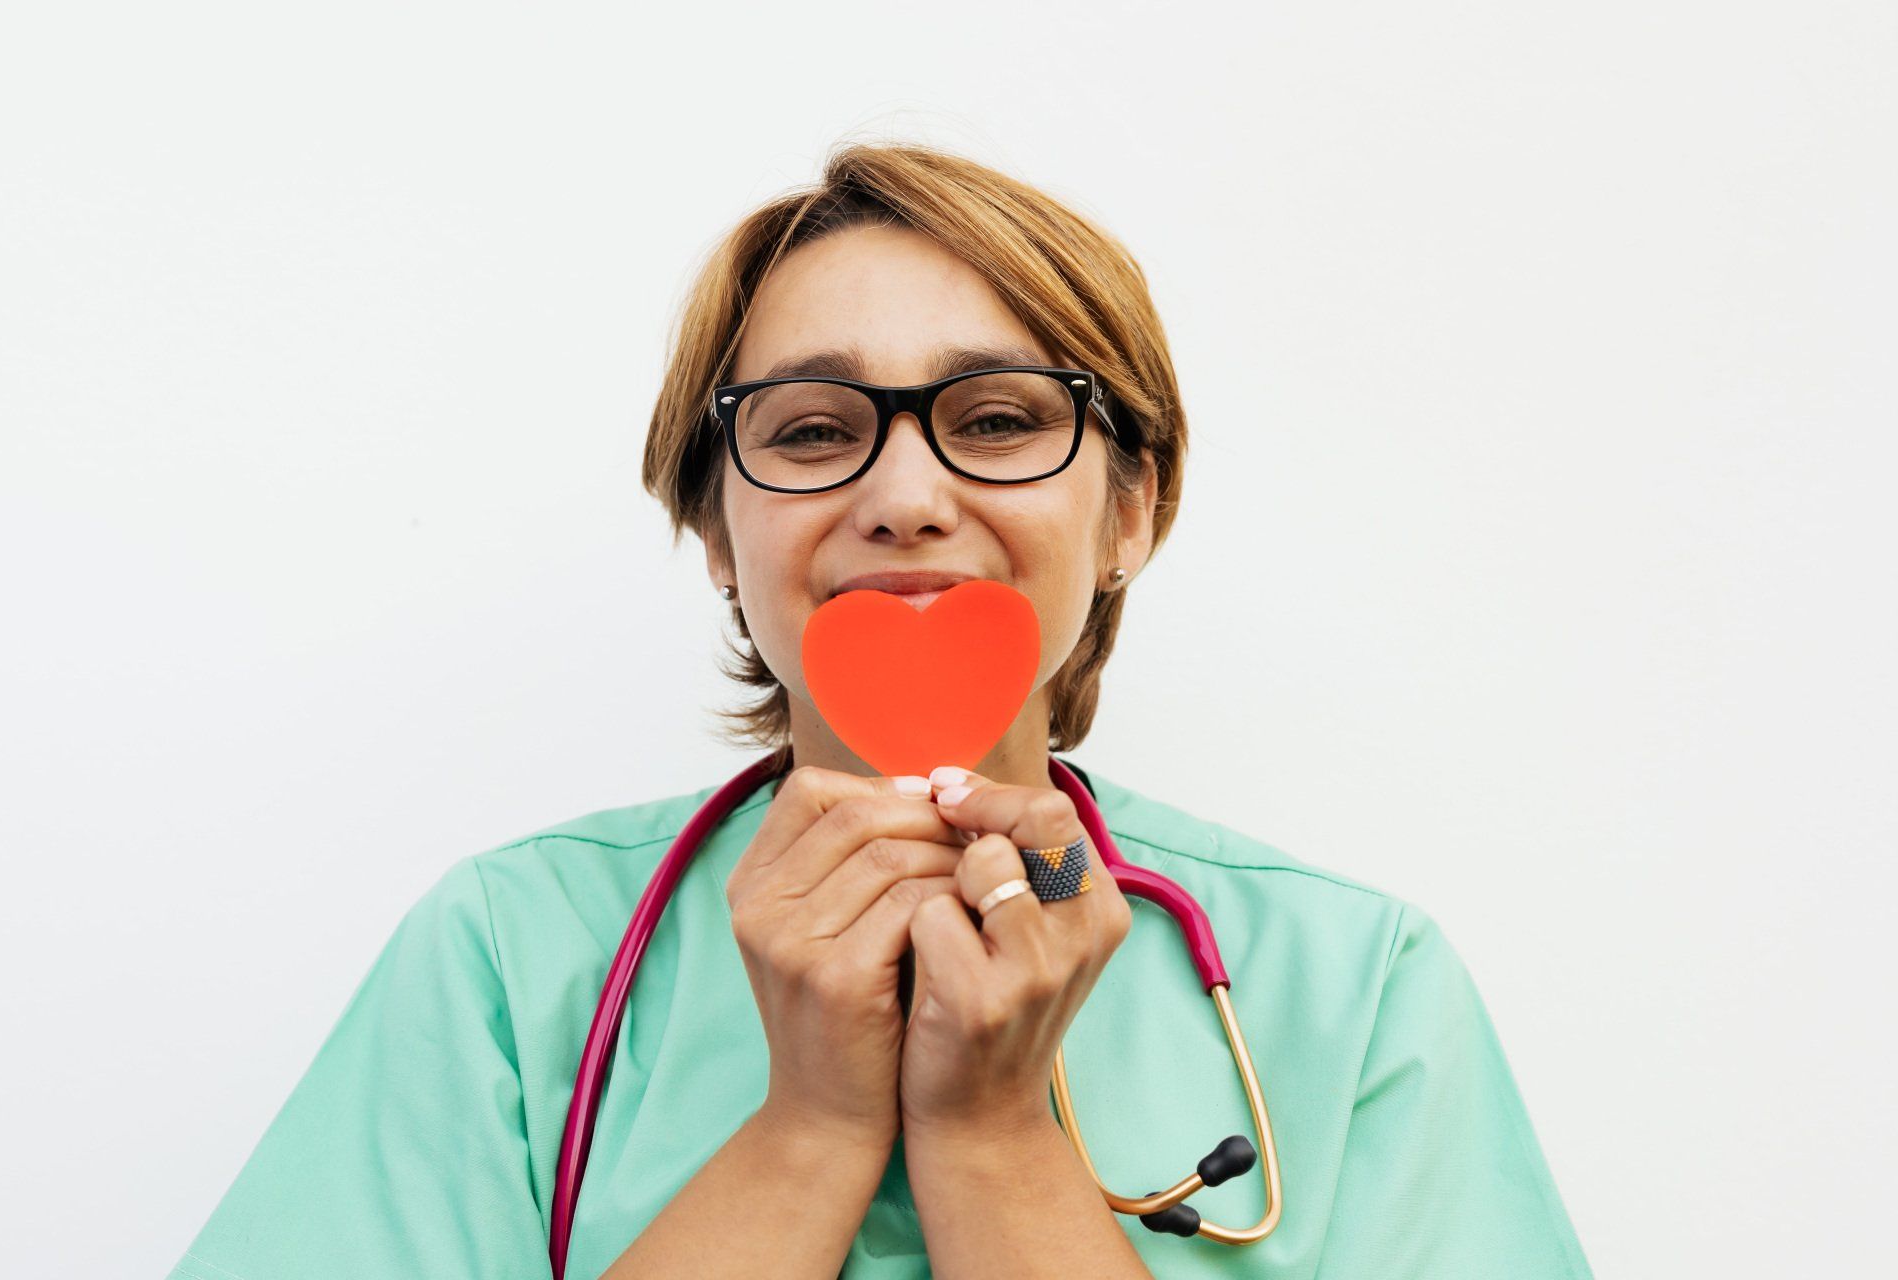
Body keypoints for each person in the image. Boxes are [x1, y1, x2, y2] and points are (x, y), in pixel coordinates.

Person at [170, 142, 1593, 1280]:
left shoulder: (1356, 984)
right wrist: (812, 1126)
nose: (907, 498)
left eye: (997, 420)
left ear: (1131, 512)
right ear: (719, 536)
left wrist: (986, 1136)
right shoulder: (502, 958)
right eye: (809, 432)